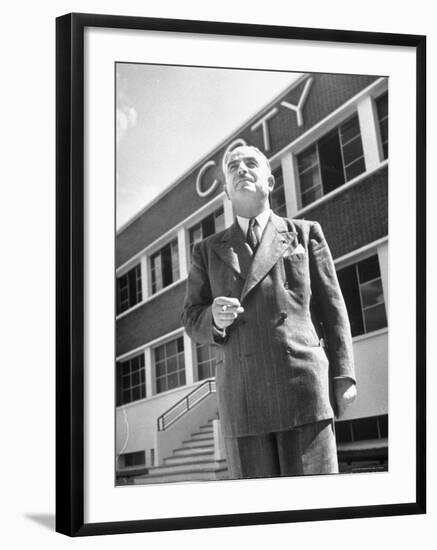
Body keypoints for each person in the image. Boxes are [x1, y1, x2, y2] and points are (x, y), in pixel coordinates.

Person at [181, 145, 357, 478]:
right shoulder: (206, 250)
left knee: (315, 511)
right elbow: (191, 317)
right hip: (243, 399)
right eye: (233, 167)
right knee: (258, 515)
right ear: (226, 191)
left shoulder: (306, 233)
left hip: (303, 390)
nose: (241, 169)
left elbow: (333, 308)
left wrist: (343, 374)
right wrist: (213, 319)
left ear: (271, 181)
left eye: (251, 164)